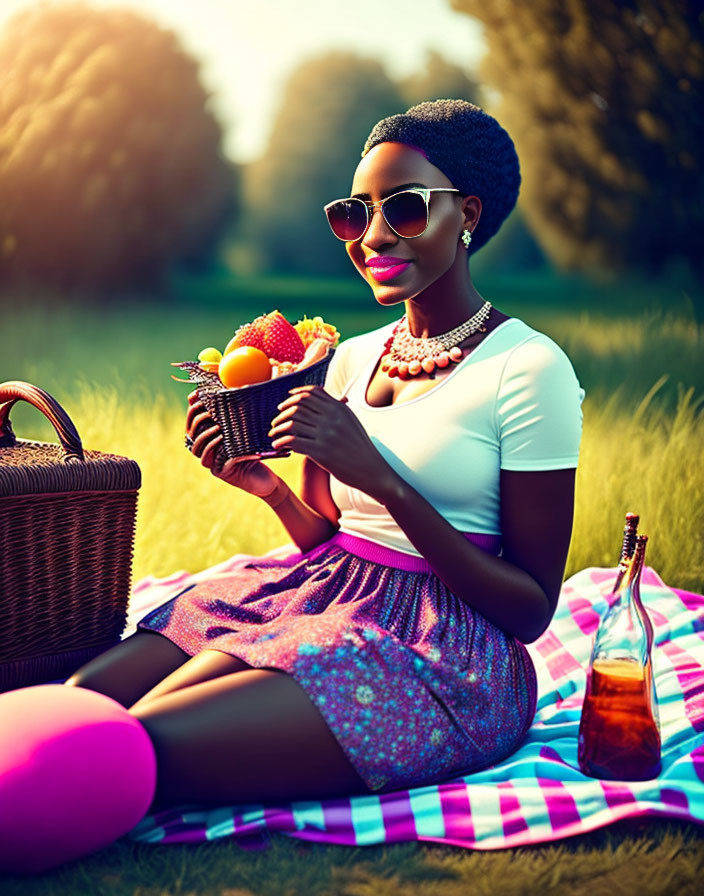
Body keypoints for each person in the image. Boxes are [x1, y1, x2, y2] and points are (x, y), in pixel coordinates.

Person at [64, 99, 584, 811]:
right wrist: (271, 493)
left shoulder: (528, 367)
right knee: (82, 701)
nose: (371, 237)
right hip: (324, 594)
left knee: (138, 740)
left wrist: (384, 479)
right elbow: (332, 537)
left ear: (466, 214)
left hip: (446, 652)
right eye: (354, 213)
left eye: (402, 209)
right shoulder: (348, 358)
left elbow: (528, 610)